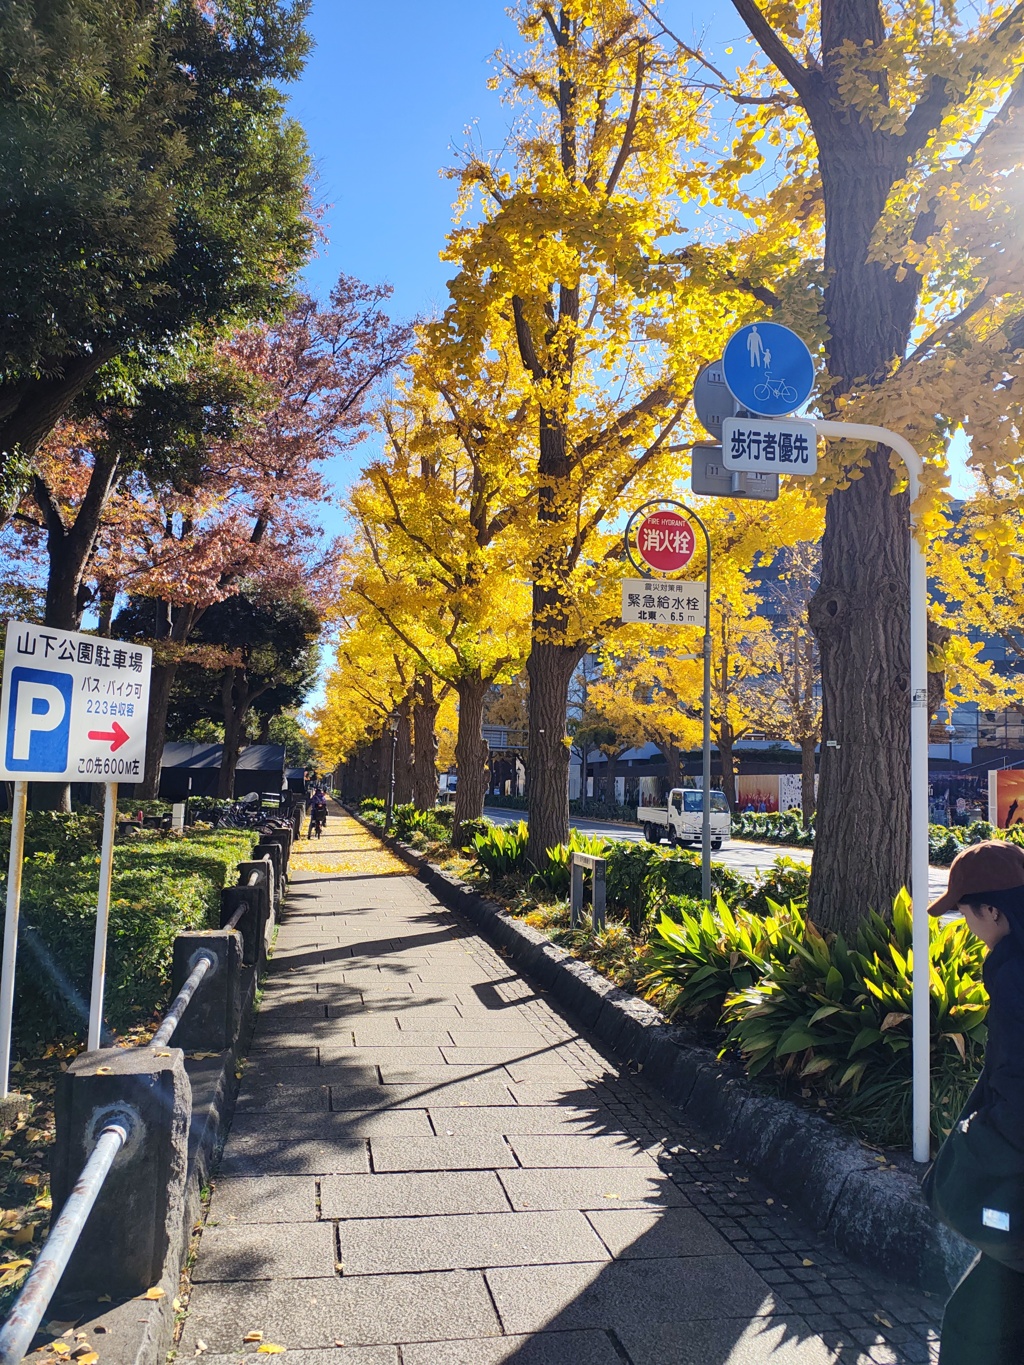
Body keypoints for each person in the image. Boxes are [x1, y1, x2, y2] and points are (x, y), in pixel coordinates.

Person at [927, 841, 1024, 1363]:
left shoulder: (1013, 976)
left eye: (965, 914)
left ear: (993, 911)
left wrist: (980, 1139)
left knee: (974, 1329)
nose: (966, 927)